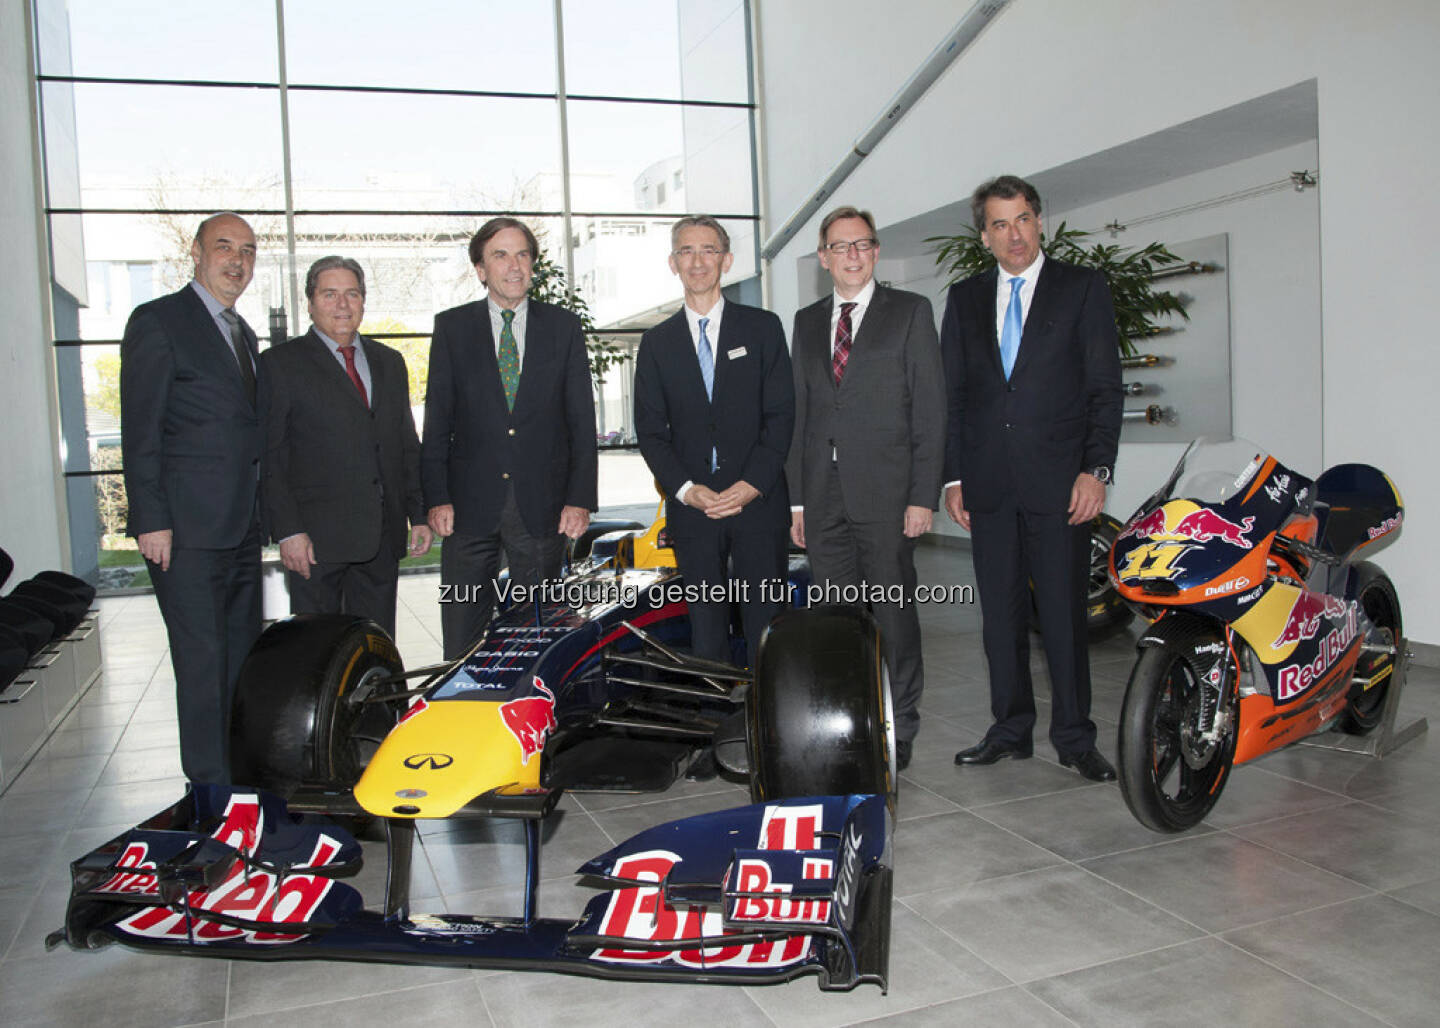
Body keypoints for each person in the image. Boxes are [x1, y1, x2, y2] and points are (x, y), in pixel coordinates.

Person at [942, 175, 1123, 782]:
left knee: (1066, 618)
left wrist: (1095, 470)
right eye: (998, 223)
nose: (1012, 234)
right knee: (999, 617)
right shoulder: (964, 299)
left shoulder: (1081, 288)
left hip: (1060, 488)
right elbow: (956, 397)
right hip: (989, 486)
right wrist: (953, 478)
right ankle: (1010, 729)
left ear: (1039, 221)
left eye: (1021, 219)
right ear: (984, 235)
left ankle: (1074, 738)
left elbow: (1104, 389)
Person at [786, 206, 945, 772]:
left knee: (894, 615)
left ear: (875, 252)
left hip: (888, 494)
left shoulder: (909, 313)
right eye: (840, 246)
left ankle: (901, 725)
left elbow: (930, 409)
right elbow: (800, 414)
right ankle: (849, 719)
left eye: (862, 244)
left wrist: (923, 495)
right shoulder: (806, 322)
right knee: (836, 617)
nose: (852, 255)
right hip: (822, 496)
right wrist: (797, 501)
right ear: (824, 257)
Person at [120, 211, 264, 784]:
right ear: (197, 255)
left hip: (238, 528)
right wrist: (150, 518)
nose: (237, 260)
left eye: (248, 251)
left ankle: (240, 785)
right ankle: (209, 792)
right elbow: (142, 430)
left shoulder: (242, 333)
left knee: (239, 663)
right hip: (185, 534)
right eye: (224, 247)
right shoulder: (159, 321)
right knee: (202, 665)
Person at [422, 218, 597, 660]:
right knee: (461, 629)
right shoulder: (451, 329)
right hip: (466, 509)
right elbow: (438, 421)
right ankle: (459, 712)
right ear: (481, 269)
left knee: (535, 635)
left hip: (541, 508)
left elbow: (580, 419)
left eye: (522, 254)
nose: (514, 265)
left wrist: (580, 498)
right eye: (500, 255)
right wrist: (436, 497)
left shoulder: (563, 327)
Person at [634, 215, 794, 667]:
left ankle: (767, 725)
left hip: (757, 503)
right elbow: (651, 431)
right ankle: (712, 724)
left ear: (726, 260)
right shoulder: (656, 343)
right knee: (705, 629)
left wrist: (752, 484)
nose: (697, 261)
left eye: (708, 250)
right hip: (693, 509)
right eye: (686, 251)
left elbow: (781, 415)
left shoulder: (762, 329)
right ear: (672, 263)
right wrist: (685, 489)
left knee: (766, 625)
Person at [260, 256, 431, 638]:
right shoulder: (279, 364)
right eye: (330, 294)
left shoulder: (390, 362)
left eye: (351, 294)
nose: (342, 305)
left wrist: (418, 514)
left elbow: (405, 443)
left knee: (374, 646)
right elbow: (272, 456)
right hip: (315, 545)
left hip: (380, 541)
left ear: (363, 301)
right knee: (315, 654)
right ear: (310, 302)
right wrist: (287, 531)